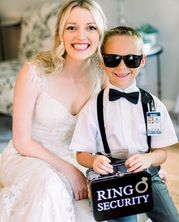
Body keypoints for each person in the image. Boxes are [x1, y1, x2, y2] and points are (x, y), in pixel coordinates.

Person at [0, 0, 107, 221]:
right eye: (71, 27)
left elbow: (113, 131)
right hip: (28, 155)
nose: (81, 36)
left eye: (90, 27)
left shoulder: (103, 75)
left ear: (100, 33)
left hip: (79, 157)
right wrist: (69, 170)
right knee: (50, 188)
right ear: (60, 33)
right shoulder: (33, 73)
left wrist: (146, 165)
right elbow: (22, 141)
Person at [70, 26, 179, 222]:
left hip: (147, 174)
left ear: (142, 60)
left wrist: (148, 159)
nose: (122, 67)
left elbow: (161, 152)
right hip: (111, 180)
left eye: (131, 59)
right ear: (102, 61)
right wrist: (94, 160)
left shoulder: (153, 106)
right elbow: (81, 154)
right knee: (125, 218)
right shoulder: (92, 108)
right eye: (113, 59)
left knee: (171, 218)